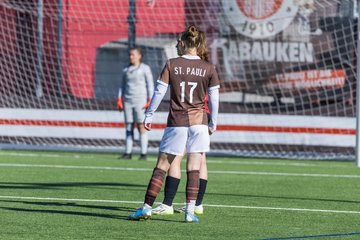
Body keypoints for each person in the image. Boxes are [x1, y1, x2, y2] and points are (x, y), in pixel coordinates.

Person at [128, 25, 220, 223]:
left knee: (163, 164)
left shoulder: (172, 64)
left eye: (179, 41)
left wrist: (149, 114)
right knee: (194, 166)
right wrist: (213, 121)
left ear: (186, 43)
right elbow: (214, 98)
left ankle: (146, 208)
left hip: (177, 121)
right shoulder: (209, 67)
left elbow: (159, 92)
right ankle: (189, 212)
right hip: (200, 122)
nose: (177, 44)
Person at [152, 31, 210, 216]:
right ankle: (197, 204)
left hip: (186, 117)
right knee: (199, 160)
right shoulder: (205, 67)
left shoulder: (181, 66)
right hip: (201, 117)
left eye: (179, 41)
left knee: (175, 158)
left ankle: (167, 203)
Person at [117, 47, 154, 160]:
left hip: (141, 101)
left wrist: (150, 100)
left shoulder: (145, 68)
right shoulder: (126, 69)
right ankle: (128, 153)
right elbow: (122, 85)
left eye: (133, 55)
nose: (131, 57)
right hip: (128, 101)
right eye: (130, 55)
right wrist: (119, 98)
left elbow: (150, 85)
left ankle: (143, 154)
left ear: (139, 56)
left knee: (141, 125)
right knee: (129, 125)